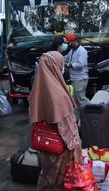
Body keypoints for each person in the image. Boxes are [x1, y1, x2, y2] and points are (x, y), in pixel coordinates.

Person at [29, 51, 82, 190]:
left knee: (46, 174)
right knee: (58, 178)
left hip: (45, 143)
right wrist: (76, 149)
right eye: (61, 64)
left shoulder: (38, 87)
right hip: (59, 147)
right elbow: (67, 129)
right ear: (55, 66)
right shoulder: (58, 93)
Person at [64, 34, 89, 107]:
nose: (68, 44)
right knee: (74, 100)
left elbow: (80, 65)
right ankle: (77, 118)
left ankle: (92, 112)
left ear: (74, 41)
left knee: (81, 99)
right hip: (74, 78)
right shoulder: (72, 51)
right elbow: (65, 58)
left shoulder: (82, 51)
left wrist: (68, 64)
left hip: (80, 78)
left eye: (69, 43)